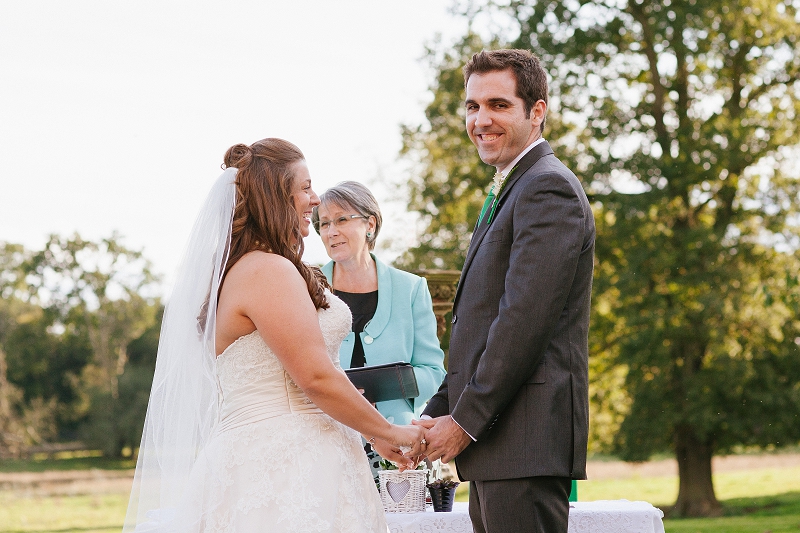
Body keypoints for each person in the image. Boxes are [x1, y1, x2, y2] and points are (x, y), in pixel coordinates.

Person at [124, 138, 426, 533]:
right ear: (274, 196)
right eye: (304, 187)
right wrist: (388, 431)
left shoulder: (259, 268)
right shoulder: (267, 271)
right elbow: (316, 377)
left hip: (300, 455)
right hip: (284, 467)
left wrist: (370, 433)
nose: (315, 199)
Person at [416, 49, 595, 533]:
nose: (480, 120)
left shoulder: (547, 189)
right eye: (472, 107)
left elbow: (522, 322)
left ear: (537, 111)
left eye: (497, 105)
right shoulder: (512, 187)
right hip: (501, 448)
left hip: (524, 443)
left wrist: (464, 422)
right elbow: (478, 326)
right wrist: (434, 416)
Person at [311, 181, 446, 473]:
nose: (331, 231)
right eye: (323, 224)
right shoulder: (307, 288)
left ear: (370, 224)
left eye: (342, 220)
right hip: (325, 444)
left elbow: (434, 374)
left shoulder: (410, 288)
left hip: (399, 449)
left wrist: (386, 385)